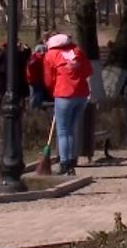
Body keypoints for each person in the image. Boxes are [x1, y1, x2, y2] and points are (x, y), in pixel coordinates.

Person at [43, 33, 93, 176]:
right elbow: (89, 71)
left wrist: (54, 89)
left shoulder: (51, 54)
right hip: (81, 95)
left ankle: (65, 163)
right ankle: (72, 161)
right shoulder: (77, 51)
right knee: (72, 129)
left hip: (63, 94)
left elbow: (48, 79)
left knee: (63, 131)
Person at [26, 44, 46, 110]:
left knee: (34, 94)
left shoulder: (33, 57)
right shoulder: (40, 58)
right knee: (38, 94)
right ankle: (36, 108)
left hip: (33, 79)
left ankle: (33, 108)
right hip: (37, 79)